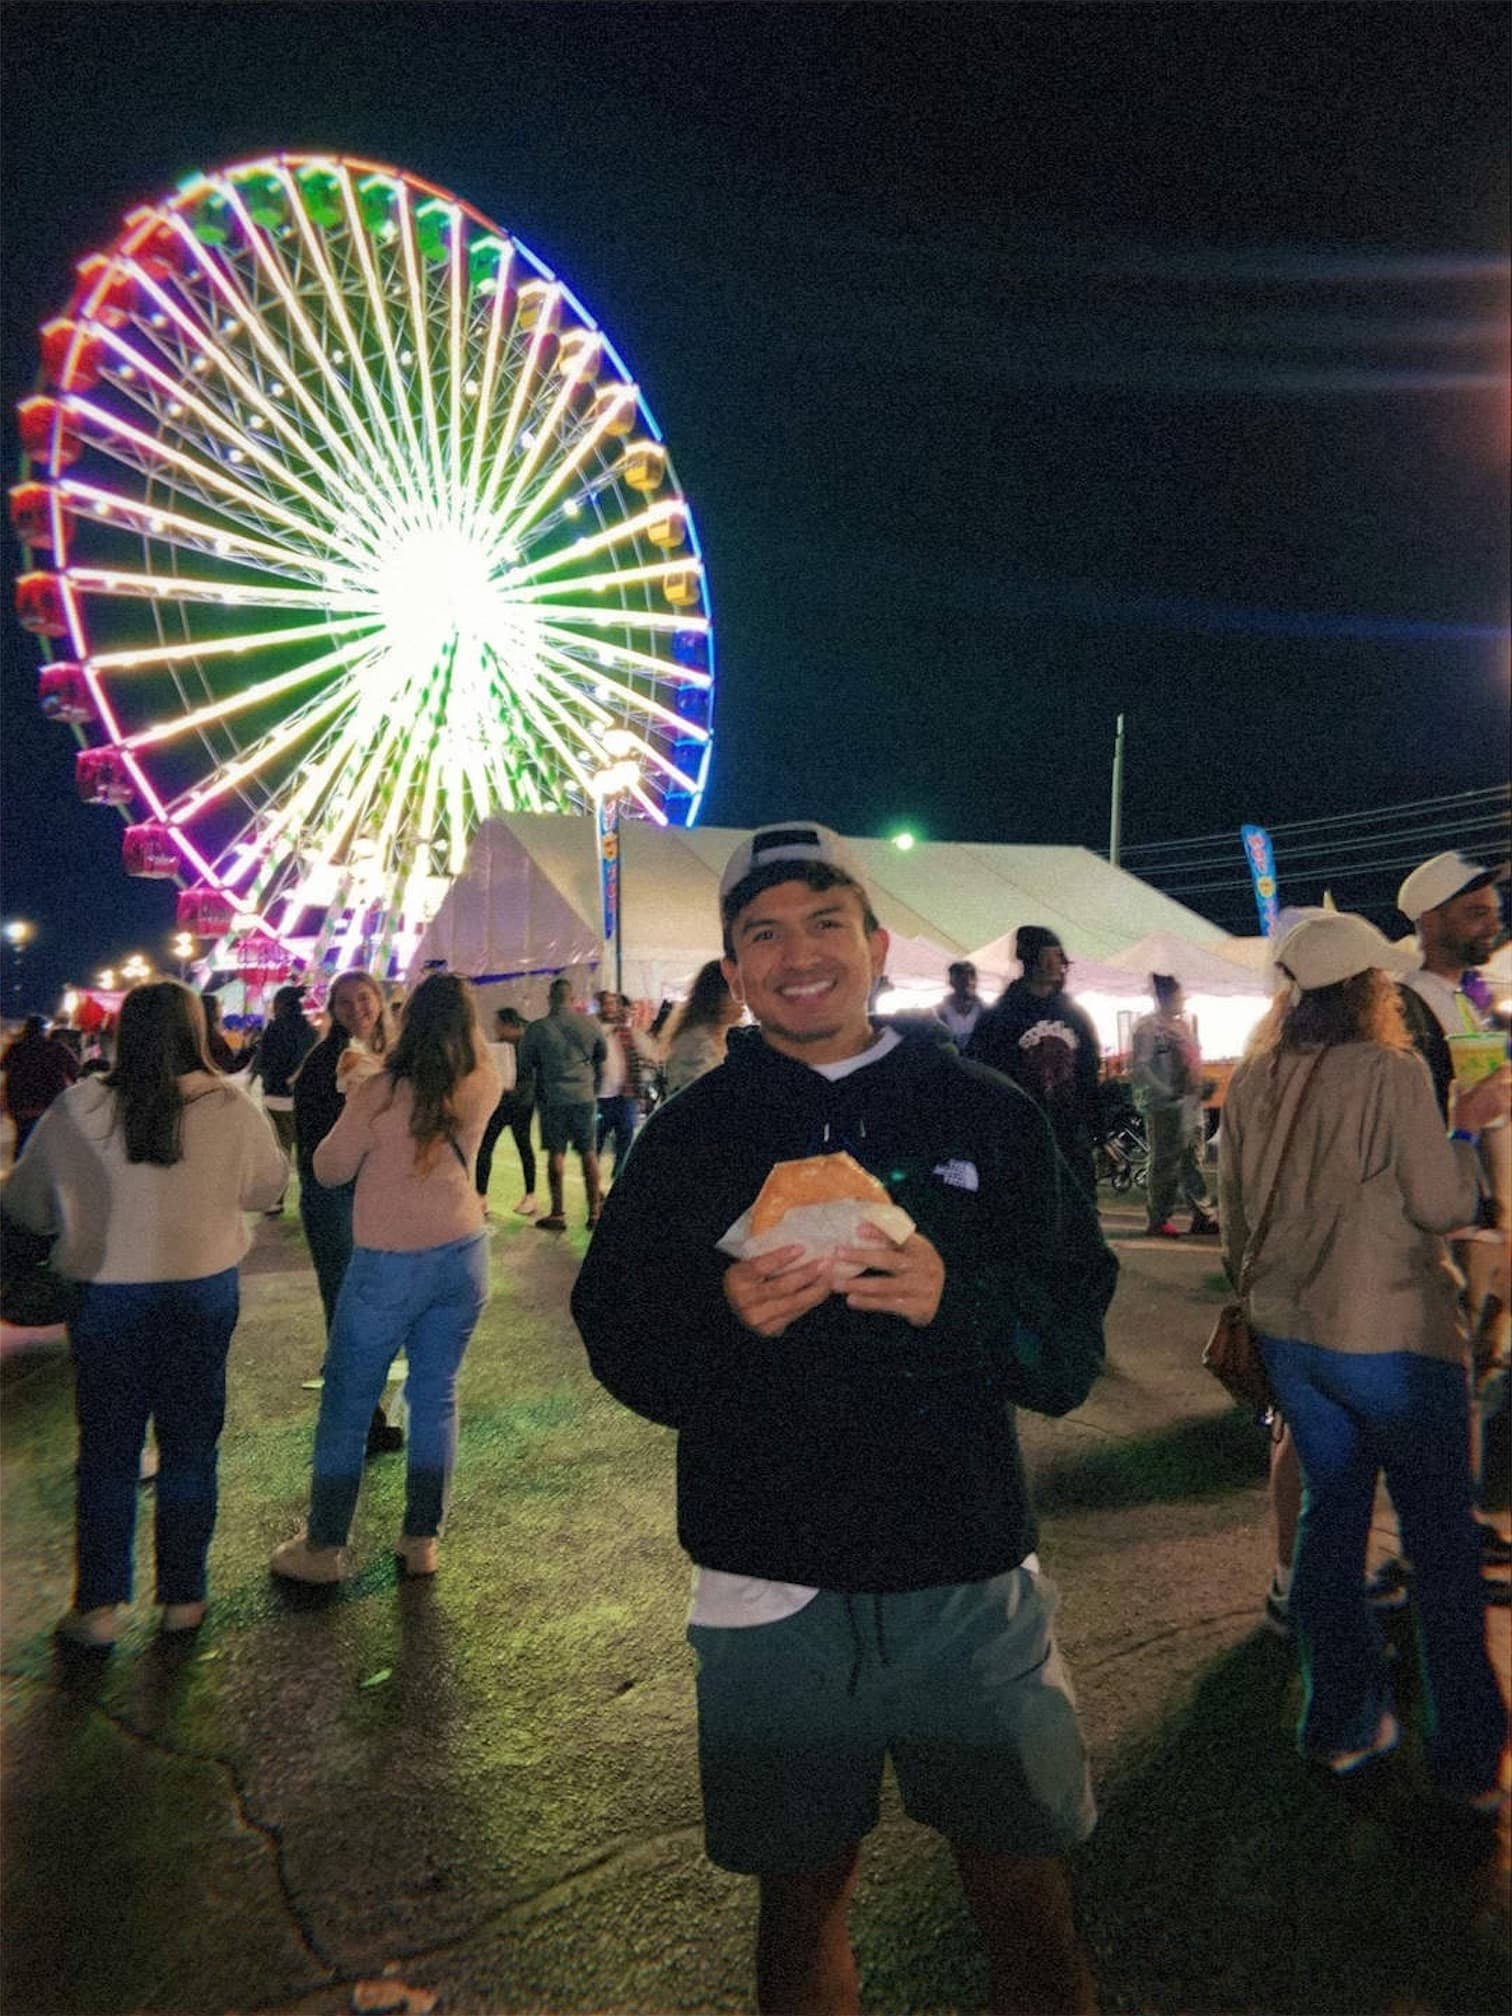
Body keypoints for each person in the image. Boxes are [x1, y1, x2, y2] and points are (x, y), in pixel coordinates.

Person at [573, 820, 1115, 2016]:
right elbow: (619, 1339)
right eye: (762, 933)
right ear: (734, 966)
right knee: (799, 1897)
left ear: (875, 945)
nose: (797, 953)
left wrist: (953, 1302)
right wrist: (723, 1320)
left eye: (826, 923)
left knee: (1022, 1890)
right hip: (766, 1579)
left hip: (966, 1566)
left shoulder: (983, 1114)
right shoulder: (690, 1138)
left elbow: (1068, 1350)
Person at [1218, 911, 1507, 1804]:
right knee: (1439, 1545)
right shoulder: (1390, 1070)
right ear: (1370, 990)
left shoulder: (1253, 1077)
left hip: (1293, 1341)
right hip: (1393, 1338)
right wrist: (1464, 1130)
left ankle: (1343, 1721)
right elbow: (1438, 1203)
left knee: (1330, 1526)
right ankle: (1465, 1756)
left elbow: (1229, 1217)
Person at [3, 981, 286, 1647]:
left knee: (107, 1450)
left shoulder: (78, 1107)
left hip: (106, 1295)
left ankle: (99, 1608)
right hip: (202, 1289)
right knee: (191, 1445)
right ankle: (183, 1597)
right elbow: (268, 1187)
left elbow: (27, 1208)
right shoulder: (230, 1106)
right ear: (197, 1031)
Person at [271, 973, 499, 1583]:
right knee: (436, 1395)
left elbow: (326, 1167)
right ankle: (422, 1538)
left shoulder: (379, 1092)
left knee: (346, 1405)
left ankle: (322, 1549)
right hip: (464, 1252)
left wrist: (357, 1101)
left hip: (388, 1264)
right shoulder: (483, 1080)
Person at [292, 969, 401, 1455]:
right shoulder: (342, 1060)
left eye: (364, 998)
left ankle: (361, 1416)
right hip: (336, 1193)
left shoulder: (370, 1054)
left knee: (356, 1307)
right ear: (332, 1010)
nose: (357, 1008)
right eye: (345, 1002)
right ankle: (359, 1424)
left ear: (379, 1000)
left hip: (355, 1192)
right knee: (349, 1308)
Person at [966, 927, 1103, 1202]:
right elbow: (984, 1074)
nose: (1055, 963)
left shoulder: (1073, 1014)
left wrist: (1094, 1125)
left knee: (1077, 1206)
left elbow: (1088, 1070)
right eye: (1047, 955)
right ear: (1030, 959)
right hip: (1019, 1133)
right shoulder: (1001, 1016)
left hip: (1068, 1131)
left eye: (1058, 956)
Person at [1129, 974, 1219, 1238]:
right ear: (1164, 997)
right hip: (1165, 1104)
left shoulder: (1183, 1026)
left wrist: (1200, 1085)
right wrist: (1165, 1090)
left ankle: (1203, 1214)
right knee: (1165, 1162)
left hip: (1189, 1102)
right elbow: (1141, 1067)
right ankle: (1159, 1217)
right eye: (1178, 997)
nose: (1181, 1001)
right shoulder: (1148, 1028)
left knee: (1192, 1157)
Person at [517, 976, 607, 1232]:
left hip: (553, 1098)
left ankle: (558, 1213)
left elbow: (525, 1065)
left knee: (556, 1153)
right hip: (584, 1096)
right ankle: (595, 1213)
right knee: (589, 1153)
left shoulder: (537, 1029)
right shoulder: (590, 1024)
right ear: (573, 998)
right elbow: (602, 1057)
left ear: (549, 999)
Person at [249, 985, 317, 1217]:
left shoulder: (274, 1029)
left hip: (276, 1097)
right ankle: (310, 1199)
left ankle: (275, 1201)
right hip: (304, 1099)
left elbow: (263, 1062)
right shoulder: (310, 1031)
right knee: (306, 1151)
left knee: (280, 1152)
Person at [476, 1005, 537, 1217]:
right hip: (517, 1103)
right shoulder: (520, 1044)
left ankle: (482, 1198)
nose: (495, 1028)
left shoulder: (516, 1046)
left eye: (498, 1024)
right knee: (518, 1148)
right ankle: (528, 1196)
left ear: (506, 1025)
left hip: (511, 1104)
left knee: (491, 1147)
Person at [594, 990, 658, 1177]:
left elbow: (653, 1054)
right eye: (608, 1004)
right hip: (600, 1098)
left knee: (625, 1144)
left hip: (625, 1097)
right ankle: (594, 1188)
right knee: (594, 1147)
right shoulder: (594, 1031)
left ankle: (618, 1182)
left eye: (615, 1004)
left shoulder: (630, 1034)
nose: (612, 1008)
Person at [661, 959, 742, 1096]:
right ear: (717, 998)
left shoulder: (727, 1036)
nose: (743, 1002)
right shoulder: (693, 1045)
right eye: (736, 994)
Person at [2, 1014, 79, 1158]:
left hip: (20, 1106)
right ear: (44, 1031)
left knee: (22, 1140)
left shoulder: (15, 1049)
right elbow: (75, 1071)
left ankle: (20, 1173)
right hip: (49, 1105)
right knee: (47, 1143)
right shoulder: (57, 1048)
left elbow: (4, 1069)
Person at [933, 960, 983, 1046]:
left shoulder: (985, 1011)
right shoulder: (938, 1012)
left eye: (971, 978)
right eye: (962, 980)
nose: (968, 983)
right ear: (952, 982)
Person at [200, 992, 237, 1073]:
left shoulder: (204, 1034)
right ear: (211, 1009)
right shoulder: (212, 1039)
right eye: (218, 1004)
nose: (221, 1006)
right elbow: (229, 1067)